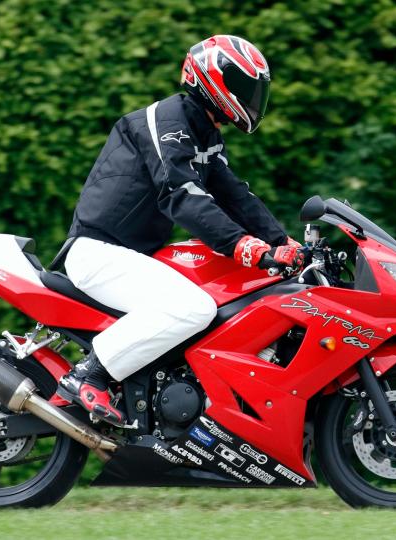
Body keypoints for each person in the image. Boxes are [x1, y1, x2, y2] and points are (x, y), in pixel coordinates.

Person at [56, 35, 302, 425]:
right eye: (244, 87)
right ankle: (90, 375)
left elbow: (234, 194)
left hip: (132, 256)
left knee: (214, 294)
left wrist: (282, 241)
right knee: (194, 307)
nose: (253, 98)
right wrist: (242, 244)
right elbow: (181, 194)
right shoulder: (163, 122)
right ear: (214, 83)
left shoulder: (204, 133)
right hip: (100, 252)